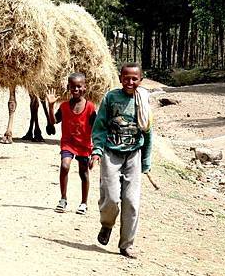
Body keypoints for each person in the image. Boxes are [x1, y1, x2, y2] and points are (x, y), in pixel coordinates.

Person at [91, 62, 153, 259]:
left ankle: (126, 244)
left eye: (135, 79)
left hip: (133, 154)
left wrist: (146, 160)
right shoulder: (111, 98)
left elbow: (148, 132)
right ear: (120, 78)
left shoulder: (143, 100)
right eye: (126, 78)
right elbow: (100, 125)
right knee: (110, 197)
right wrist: (97, 150)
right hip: (111, 152)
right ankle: (107, 224)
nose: (130, 82)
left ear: (140, 80)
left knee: (132, 201)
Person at [45, 73, 97, 214]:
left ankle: (84, 203)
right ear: (68, 87)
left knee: (83, 173)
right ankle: (63, 198)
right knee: (64, 165)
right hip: (68, 143)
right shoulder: (64, 106)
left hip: (84, 145)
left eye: (79, 86)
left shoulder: (90, 108)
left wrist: (95, 152)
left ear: (85, 88)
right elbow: (53, 122)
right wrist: (50, 107)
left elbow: (97, 129)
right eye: (73, 87)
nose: (76, 89)